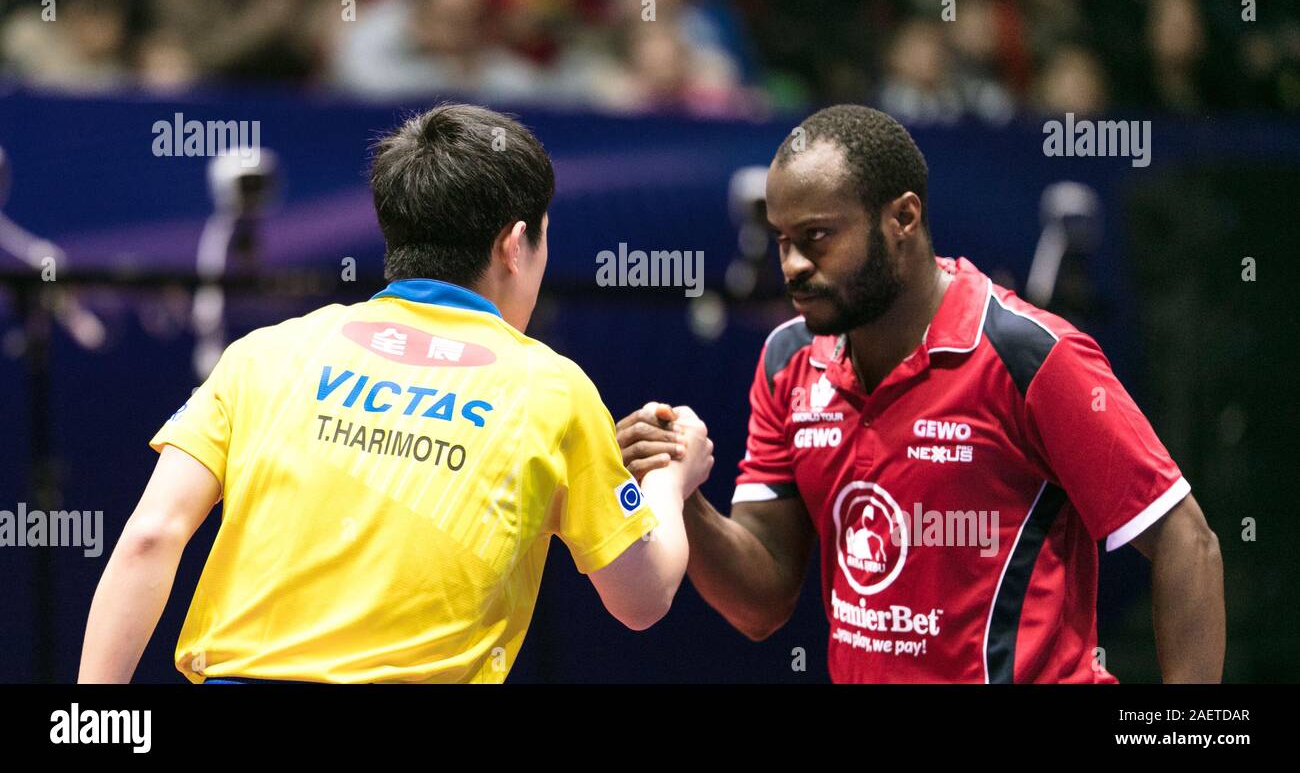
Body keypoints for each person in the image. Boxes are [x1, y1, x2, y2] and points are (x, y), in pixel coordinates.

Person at [79, 103, 712, 684]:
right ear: (515, 245)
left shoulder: (265, 353)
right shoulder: (550, 390)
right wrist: (671, 478)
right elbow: (641, 598)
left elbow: (151, 536)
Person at [617, 104, 1224, 683]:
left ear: (902, 219)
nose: (794, 264)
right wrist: (682, 493)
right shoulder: (787, 361)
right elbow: (762, 601)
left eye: (818, 236)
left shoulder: (1030, 356)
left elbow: (1186, 541)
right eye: (782, 240)